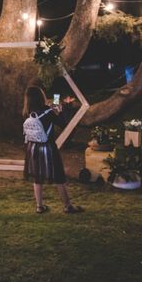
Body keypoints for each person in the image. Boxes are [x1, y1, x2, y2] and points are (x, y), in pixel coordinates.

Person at [22, 86, 84, 214]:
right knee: (59, 177)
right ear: (41, 97)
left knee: (37, 178)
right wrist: (60, 111)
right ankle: (68, 206)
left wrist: (52, 109)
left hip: (33, 147)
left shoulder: (28, 112)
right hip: (48, 148)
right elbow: (62, 124)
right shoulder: (47, 111)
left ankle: (39, 206)